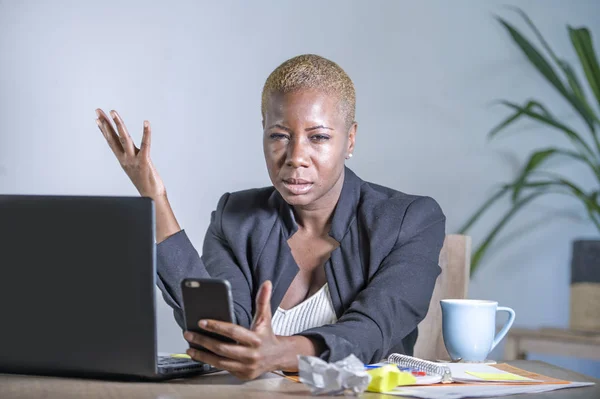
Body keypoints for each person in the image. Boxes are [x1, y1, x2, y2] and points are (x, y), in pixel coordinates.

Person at [95, 54, 446, 380]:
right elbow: (219, 328)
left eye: (318, 137)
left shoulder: (409, 220)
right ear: (263, 131)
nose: (296, 156)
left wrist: (280, 352)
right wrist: (155, 200)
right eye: (279, 136)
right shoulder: (236, 218)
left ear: (350, 140)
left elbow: (372, 329)